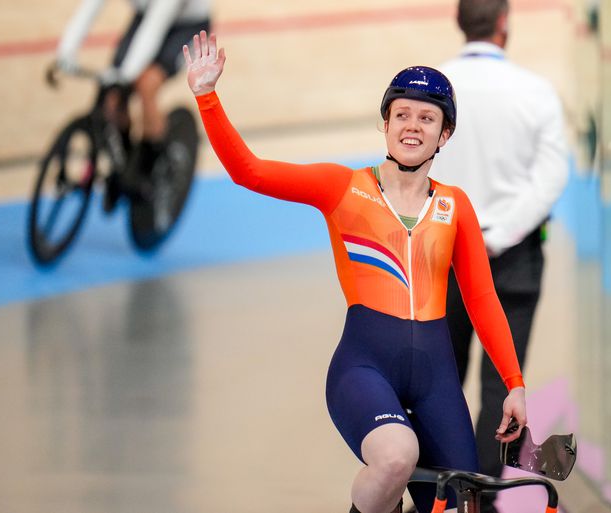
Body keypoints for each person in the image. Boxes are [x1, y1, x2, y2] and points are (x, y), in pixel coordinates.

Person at [183, 31, 527, 513]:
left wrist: (514, 382)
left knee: (461, 502)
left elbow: (482, 299)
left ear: (444, 134)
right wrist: (206, 96)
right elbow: (250, 171)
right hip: (365, 368)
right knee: (395, 457)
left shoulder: (456, 206)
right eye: (402, 114)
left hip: (436, 378)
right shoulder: (342, 187)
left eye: (427, 118)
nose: (413, 126)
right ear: (385, 124)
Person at [429, 1, 569, 511]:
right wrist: (499, 234)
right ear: (505, 24)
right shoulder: (535, 91)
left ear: (459, 22)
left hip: (438, 259)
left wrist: (460, 236)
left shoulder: (430, 85)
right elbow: (551, 177)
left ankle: (439, 494)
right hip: (513, 260)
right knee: (501, 390)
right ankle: (482, 500)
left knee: (438, 383)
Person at [55, 0, 210, 210]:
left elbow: (154, 29)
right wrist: (66, 52)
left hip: (187, 26)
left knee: (145, 85)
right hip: (146, 17)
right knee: (112, 96)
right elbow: (89, 8)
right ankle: (124, 164)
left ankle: (149, 167)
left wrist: (126, 75)